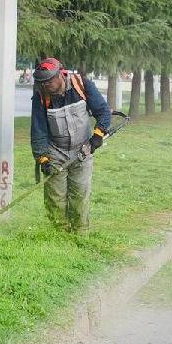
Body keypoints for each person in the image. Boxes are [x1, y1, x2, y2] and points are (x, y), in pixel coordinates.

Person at [30, 57, 112, 233]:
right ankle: (59, 236)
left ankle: (80, 235)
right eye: (42, 83)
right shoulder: (40, 96)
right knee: (55, 199)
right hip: (55, 153)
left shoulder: (81, 85)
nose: (46, 86)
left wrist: (97, 136)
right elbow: (38, 130)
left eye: (49, 81)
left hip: (83, 149)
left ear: (61, 74)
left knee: (80, 195)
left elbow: (103, 111)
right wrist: (42, 158)